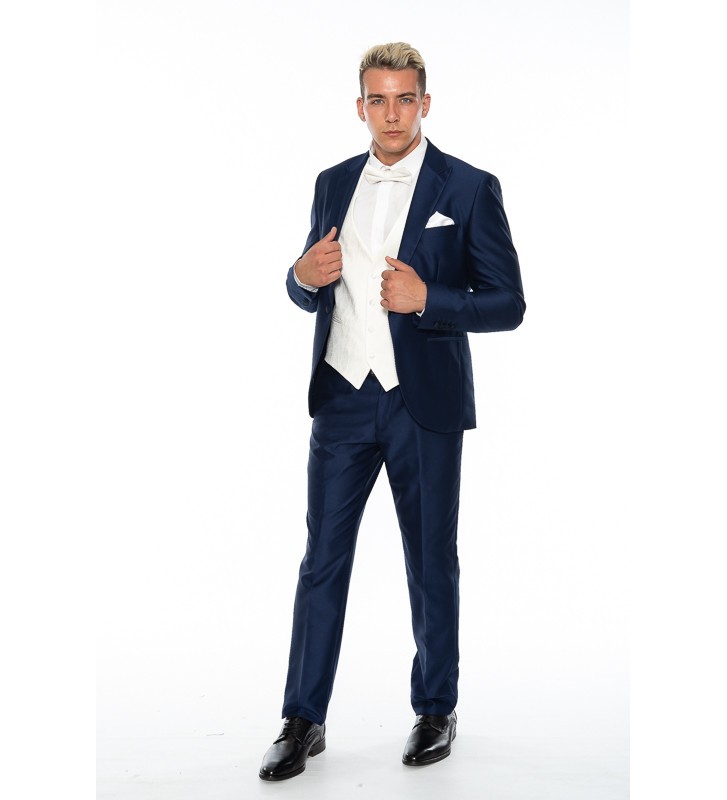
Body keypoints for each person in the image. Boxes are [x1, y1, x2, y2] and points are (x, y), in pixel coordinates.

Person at [259, 42, 525, 781]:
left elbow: (509, 303)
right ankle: (302, 718)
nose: (392, 114)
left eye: (405, 98)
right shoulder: (331, 182)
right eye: (377, 99)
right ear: (360, 107)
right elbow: (310, 282)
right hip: (343, 397)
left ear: (424, 103)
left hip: (422, 402)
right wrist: (298, 278)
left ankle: (435, 708)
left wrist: (429, 299)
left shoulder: (467, 187)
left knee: (430, 559)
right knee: (321, 560)